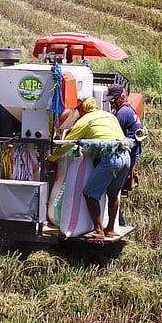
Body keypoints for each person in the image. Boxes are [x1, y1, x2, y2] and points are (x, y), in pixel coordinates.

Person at [48, 98, 130, 238]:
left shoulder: (85, 120)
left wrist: (52, 158)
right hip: (125, 156)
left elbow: (67, 143)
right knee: (112, 194)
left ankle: (98, 230)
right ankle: (110, 229)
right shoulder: (109, 116)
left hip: (111, 158)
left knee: (90, 194)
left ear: (83, 110)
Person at [103, 84, 145, 185]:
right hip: (132, 153)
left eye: (114, 99)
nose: (111, 102)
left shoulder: (123, 113)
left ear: (122, 97)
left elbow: (114, 136)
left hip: (127, 154)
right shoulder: (129, 109)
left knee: (114, 187)